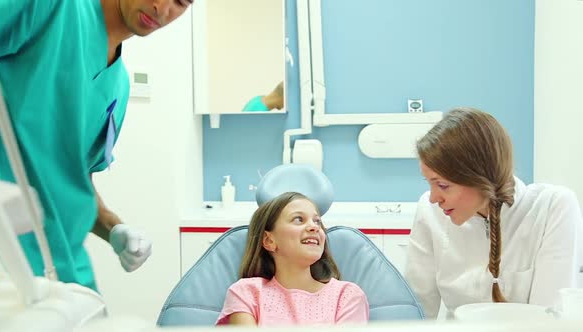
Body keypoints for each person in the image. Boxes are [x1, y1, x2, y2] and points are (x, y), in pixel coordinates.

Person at [0, 0, 192, 291]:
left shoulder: (119, 87)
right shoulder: (52, 8)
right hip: (5, 265)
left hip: (65, 274)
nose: (161, 7)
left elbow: (71, 177)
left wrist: (113, 228)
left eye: (181, 2)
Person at [405, 107, 583, 319]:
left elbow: (549, 319)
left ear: (480, 177)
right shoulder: (429, 209)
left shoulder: (553, 207)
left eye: (443, 185)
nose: (434, 198)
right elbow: (416, 310)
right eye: (430, 184)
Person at [216, 192, 369, 326]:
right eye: (298, 219)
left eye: (317, 221)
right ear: (269, 241)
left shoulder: (347, 296)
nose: (314, 227)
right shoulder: (246, 293)